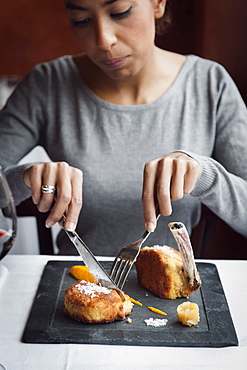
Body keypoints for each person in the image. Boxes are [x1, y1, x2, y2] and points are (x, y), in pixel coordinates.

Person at [0, 0, 246, 255]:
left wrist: (205, 175)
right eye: (81, 20)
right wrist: (23, 179)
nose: (104, 41)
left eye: (120, 13)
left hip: (174, 290)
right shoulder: (46, 85)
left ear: (158, 3)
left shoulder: (210, 83)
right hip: (73, 281)